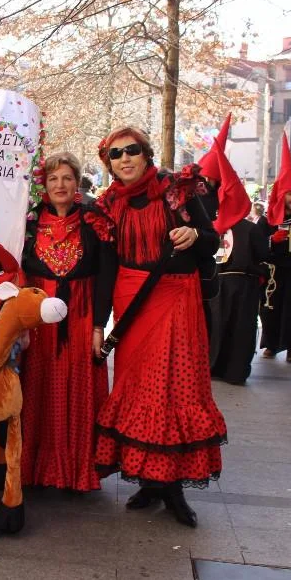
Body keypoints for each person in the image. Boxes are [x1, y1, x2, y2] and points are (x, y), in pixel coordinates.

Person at [93, 127, 226, 528]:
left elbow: (212, 240)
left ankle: (173, 487)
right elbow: (106, 269)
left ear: (147, 154)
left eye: (132, 150)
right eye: (115, 154)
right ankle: (151, 481)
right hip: (130, 303)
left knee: (173, 388)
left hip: (176, 299)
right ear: (109, 163)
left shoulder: (176, 191)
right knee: (137, 390)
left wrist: (195, 233)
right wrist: (99, 324)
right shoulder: (108, 205)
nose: (124, 159)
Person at [20, 152, 114, 492]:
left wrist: (99, 326)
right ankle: (34, 469)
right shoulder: (28, 223)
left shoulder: (94, 222)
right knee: (37, 388)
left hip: (81, 316)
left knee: (79, 389)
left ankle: (76, 472)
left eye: (67, 178)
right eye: (53, 178)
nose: (60, 185)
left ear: (77, 183)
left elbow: (106, 277)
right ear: (44, 184)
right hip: (38, 320)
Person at [210, 215, 269, 385]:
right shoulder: (250, 228)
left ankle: (213, 367)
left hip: (217, 282)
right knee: (241, 326)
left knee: (217, 324)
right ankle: (235, 372)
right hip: (243, 283)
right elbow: (263, 255)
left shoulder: (214, 226)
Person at [259, 189, 291, 363]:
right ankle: (271, 344)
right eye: (289, 194)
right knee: (270, 308)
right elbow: (256, 243)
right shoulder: (266, 219)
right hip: (273, 271)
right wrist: (271, 240)